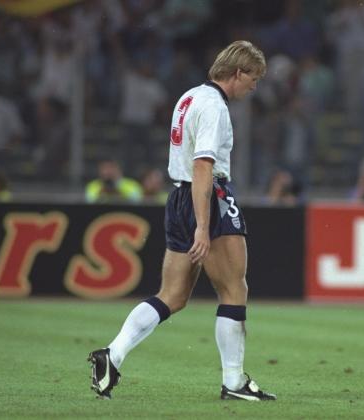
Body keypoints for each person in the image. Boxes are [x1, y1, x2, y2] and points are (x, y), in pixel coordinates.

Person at [88, 40, 275, 401]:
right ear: (237, 73)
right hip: (207, 197)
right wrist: (203, 226)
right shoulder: (215, 108)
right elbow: (203, 165)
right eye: (253, 77)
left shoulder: (189, 97)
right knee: (235, 289)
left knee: (172, 295)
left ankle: (112, 355)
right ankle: (234, 382)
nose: (255, 85)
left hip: (178, 198)